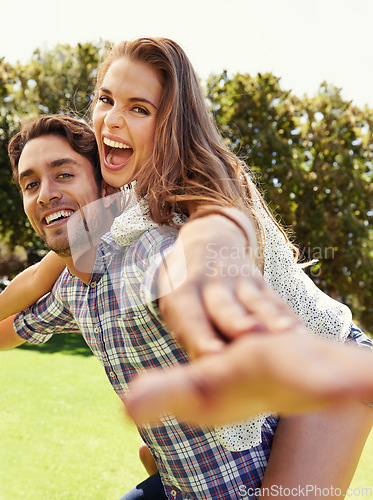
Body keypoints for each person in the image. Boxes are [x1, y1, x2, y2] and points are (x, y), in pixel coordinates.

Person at [1, 36, 372, 497]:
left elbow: (215, 237)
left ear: (169, 122)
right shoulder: (119, 212)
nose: (113, 119)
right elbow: (38, 276)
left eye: (140, 108)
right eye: (105, 100)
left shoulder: (205, 185)